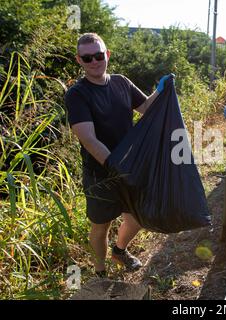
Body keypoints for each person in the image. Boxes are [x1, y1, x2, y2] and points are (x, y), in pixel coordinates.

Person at [64, 33, 172, 277]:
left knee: (136, 216)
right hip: (100, 173)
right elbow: (89, 139)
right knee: (101, 225)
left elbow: (146, 108)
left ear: (107, 55)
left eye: (98, 55)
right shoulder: (77, 94)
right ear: (79, 60)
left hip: (130, 167)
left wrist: (161, 90)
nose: (94, 61)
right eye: (87, 57)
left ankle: (120, 250)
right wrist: (116, 166)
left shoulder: (121, 82)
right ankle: (100, 271)